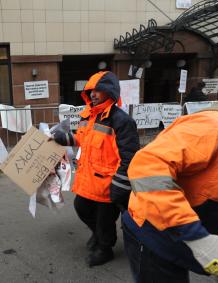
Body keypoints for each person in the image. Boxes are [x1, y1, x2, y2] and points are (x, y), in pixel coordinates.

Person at [122, 98, 218, 282]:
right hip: (154, 233)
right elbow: (147, 166)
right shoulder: (213, 125)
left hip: (187, 235)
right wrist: (198, 239)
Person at [53, 71, 140, 266]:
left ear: (110, 91)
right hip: (89, 179)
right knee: (81, 208)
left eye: (98, 90)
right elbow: (82, 139)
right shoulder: (89, 116)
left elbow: (130, 157)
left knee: (104, 220)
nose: (93, 94)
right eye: (91, 90)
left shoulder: (121, 120)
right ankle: (99, 235)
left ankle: (105, 248)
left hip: (108, 184)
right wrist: (64, 138)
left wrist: (120, 185)